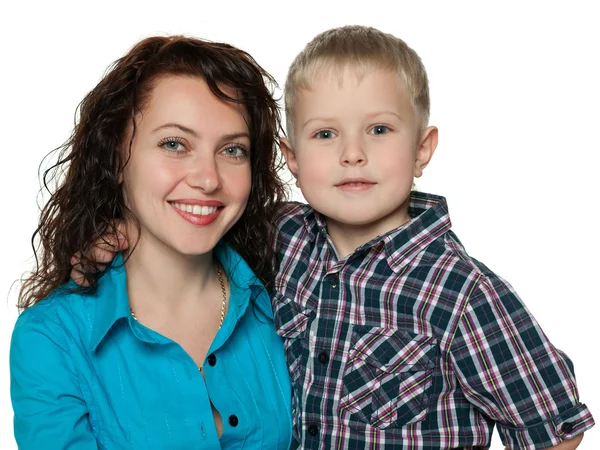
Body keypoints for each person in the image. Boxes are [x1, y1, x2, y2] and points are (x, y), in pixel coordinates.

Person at [70, 26, 595, 450]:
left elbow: (554, 425)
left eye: (380, 130)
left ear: (423, 149)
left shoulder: (460, 292)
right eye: (325, 134)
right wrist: (120, 234)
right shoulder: (284, 238)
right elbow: (193, 224)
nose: (352, 154)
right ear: (292, 157)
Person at [10, 35, 292, 449]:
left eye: (232, 150)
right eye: (174, 144)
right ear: (116, 158)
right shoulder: (52, 338)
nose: (208, 179)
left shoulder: (292, 288)